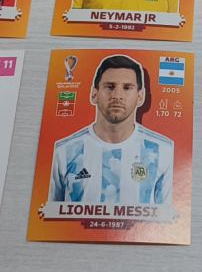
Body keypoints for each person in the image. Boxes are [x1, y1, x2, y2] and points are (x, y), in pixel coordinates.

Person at [49, 55, 173, 205]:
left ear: (140, 97)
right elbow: (50, 213)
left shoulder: (163, 151)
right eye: (110, 87)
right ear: (94, 94)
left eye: (127, 88)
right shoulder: (63, 152)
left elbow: (168, 216)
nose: (117, 96)